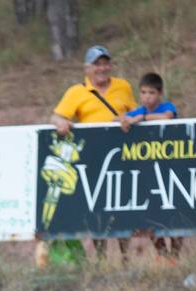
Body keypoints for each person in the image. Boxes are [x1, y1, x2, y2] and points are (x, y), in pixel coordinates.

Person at [50, 45, 137, 259]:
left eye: (105, 63)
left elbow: (137, 112)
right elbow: (56, 117)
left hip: (122, 156)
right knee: (98, 208)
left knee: (121, 206)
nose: (102, 68)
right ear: (87, 68)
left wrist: (129, 118)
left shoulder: (123, 86)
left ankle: (126, 256)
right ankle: (101, 258)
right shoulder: (76, 92)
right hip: (94, 159)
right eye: (97, 64)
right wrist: (61, 123)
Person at [119, 72, 182, 258]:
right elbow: (121, 118)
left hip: (171, 168)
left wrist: (142, 119)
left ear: (160, 93)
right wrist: (124, 120)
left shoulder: (166, 107)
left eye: (151, 93)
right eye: (144, 93)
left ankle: (176, 254)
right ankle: (162, 253)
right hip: (148, 171)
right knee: (152, 215)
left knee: (177, 216)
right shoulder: (138, 110)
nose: (147, 97)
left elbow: (167, 117)